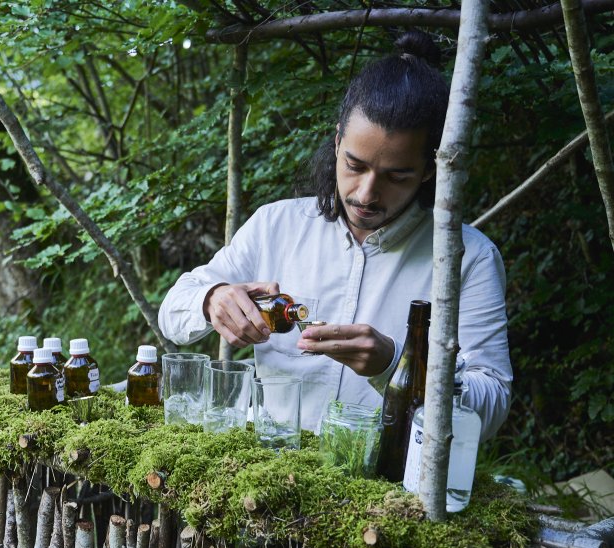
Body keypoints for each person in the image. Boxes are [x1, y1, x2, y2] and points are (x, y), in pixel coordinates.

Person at [158, 31, 512, 440]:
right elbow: (173, 313)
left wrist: (398, 364)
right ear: (338, 138)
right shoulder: (276, 226)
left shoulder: (468, 258)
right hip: (269, 473)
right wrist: (212, 298)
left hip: (388, 491)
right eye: (355, 165)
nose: (366, 194)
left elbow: (492, 404)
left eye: (396, 175)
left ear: (431, 168)